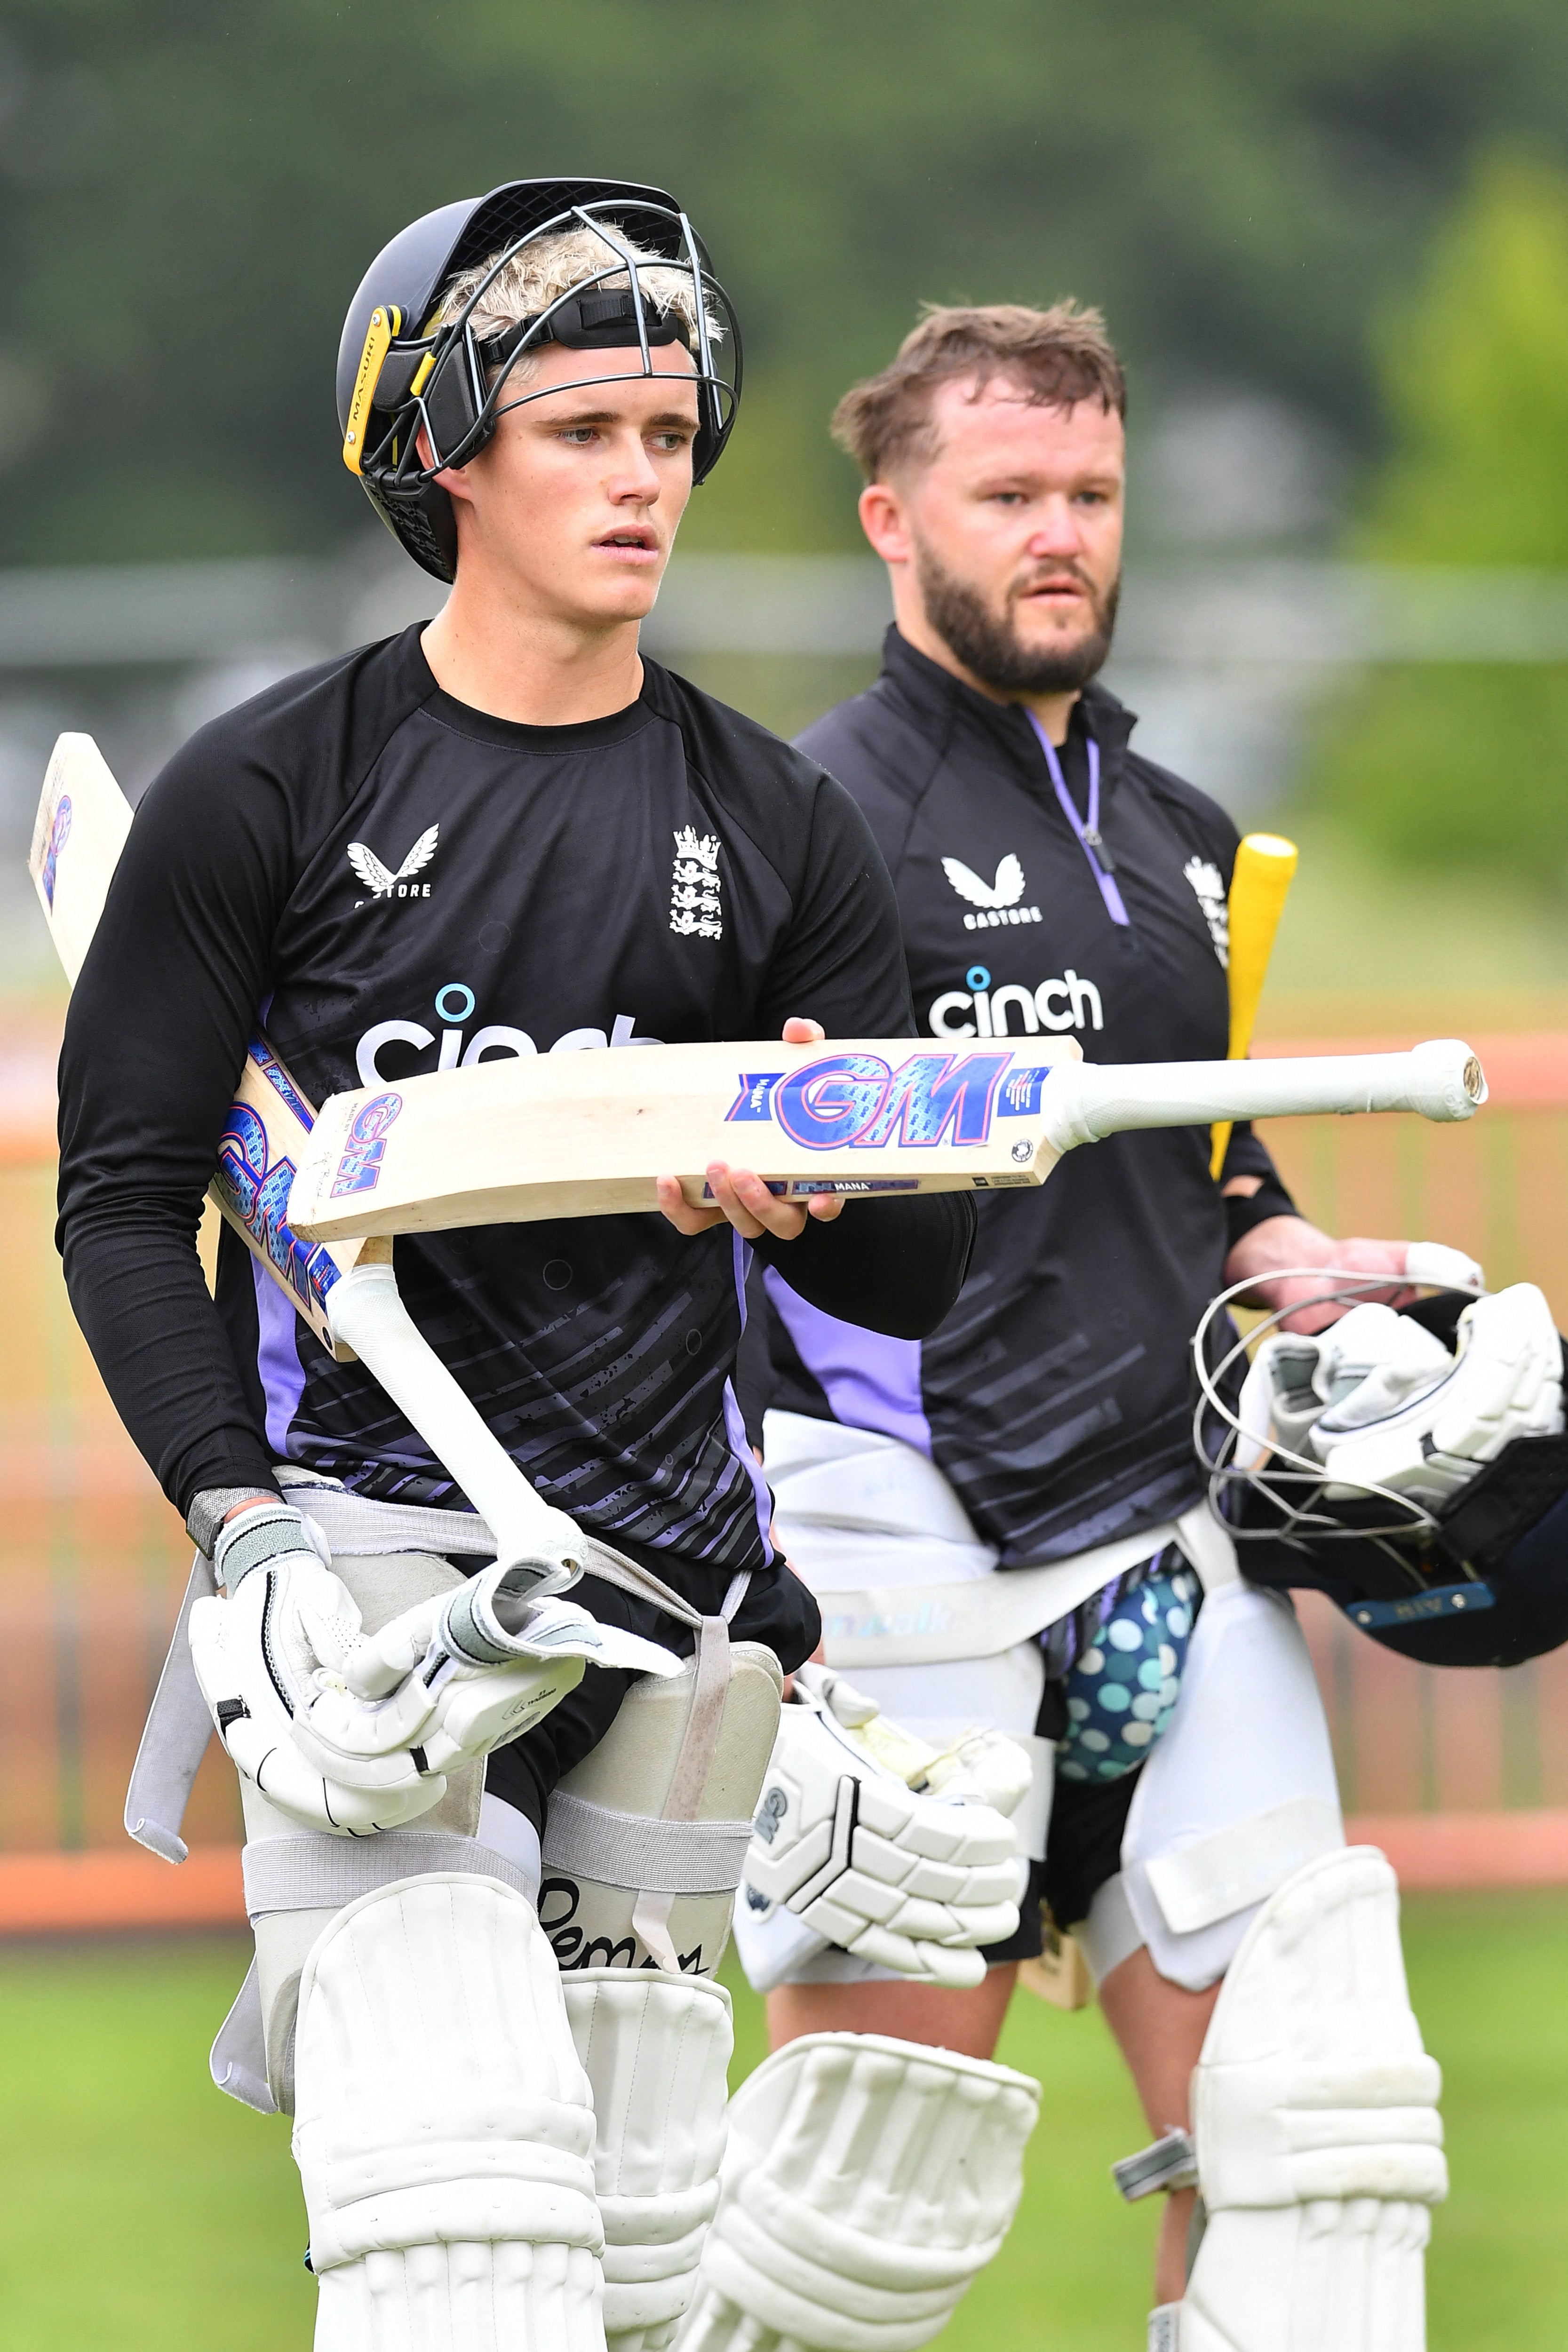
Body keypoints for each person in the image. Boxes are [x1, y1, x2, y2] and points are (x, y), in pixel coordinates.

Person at [53, 181, 1001, 2350]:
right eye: (586, 431)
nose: (646, 479)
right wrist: (246, 1529)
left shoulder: (777, 825)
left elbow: (925, 1277)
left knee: (644, 2274)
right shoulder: (272, 791)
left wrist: (815, 1180)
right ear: (447, 451)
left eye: (671, 435)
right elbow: (125, 1201)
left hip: (678, 1609)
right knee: (454, 2219)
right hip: (381, 1585)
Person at [696, 303, 1454, 2349]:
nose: (1060, 533)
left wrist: (1298, 1259)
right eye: (1008, 491)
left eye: (1092, 494)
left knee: (1321, 2153)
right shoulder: (792, 819)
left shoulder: (1185, 835)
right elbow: (713, 1186)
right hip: (898, 1546)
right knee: (851, 2214)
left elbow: (1207, 1161)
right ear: (889, 516)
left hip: (1167, 1541)